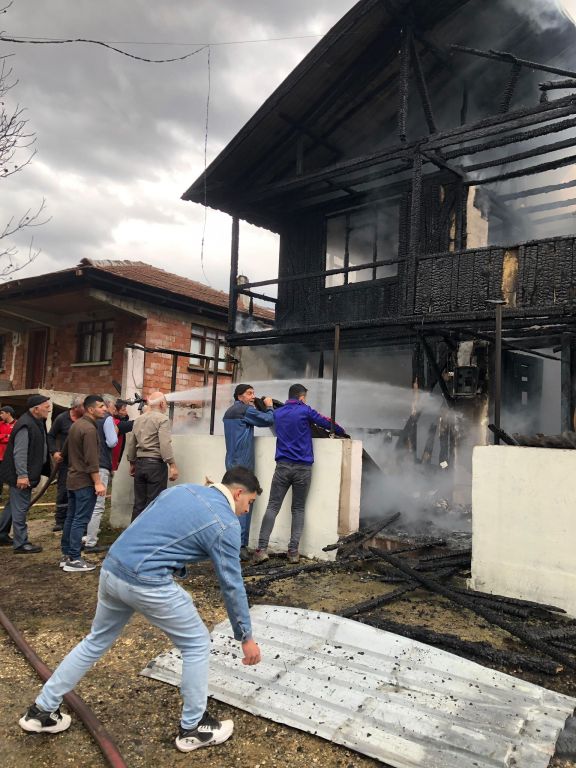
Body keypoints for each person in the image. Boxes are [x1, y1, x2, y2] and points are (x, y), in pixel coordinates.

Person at [19, 466, 263, 753]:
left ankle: (41, 711)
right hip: (147, 581)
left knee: (95, 640)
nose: (247, 510)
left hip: (112, 570)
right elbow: (232, 584)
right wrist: (245, 636)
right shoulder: (225, 524)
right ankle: (194, 728)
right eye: (250, 502)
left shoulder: (183, 490)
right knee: (196, 642)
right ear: (237, 493)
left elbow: (151, 526)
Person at [253, 383, 346, 565]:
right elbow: (327, 423)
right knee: (298, 509)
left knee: (272, 506)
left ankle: (261, 550)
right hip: (303, 468)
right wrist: (342, 431)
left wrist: (270, 406)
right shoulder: (305, 411)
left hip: (282, 466)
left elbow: (270, 419)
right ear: (302, 398)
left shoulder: (278, 413)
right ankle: (293, 552)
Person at [223, 383, 274, 559]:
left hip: (231, 462)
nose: (253, 396)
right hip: (243, 465)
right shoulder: (245, 411)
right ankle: (240, 547)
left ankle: (231, 544)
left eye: (254, 393)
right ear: (239, 396)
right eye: (249, 393)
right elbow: (268, 420)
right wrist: (269, 407)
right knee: (244, 504)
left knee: (233, 504)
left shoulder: (229, 412)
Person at [60, 395, 107, 572]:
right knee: (80, 519)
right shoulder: (88, 429)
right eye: (101, 406)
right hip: (84, 482)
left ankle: (66, 555)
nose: (104, 409)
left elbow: (63, 452)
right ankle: (75, 558)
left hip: (72, 479)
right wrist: (98, 482)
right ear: (90, 409)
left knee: (71, 518)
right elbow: (91, 459)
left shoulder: (76, 425)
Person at [0, 395, 52, 552]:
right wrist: (22, 476)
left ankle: (1, 534)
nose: (49, 408)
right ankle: (21, 543)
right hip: (21, 475)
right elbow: (20, 453)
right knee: (21, 508)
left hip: (26, 473)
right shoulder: (25, 425)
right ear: (36, 409)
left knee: (13, 505)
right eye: (46, 406)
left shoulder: (36, 422)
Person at [126, 391, 179, 521]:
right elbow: (165, 443)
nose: (166, 405)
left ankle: (133, 537)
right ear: (161, 404)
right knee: (154, 504)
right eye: (166, 403)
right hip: (155, 466)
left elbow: (132, 443)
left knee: (139, 504)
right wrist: (172, 465)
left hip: (140, 464)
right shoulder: (163, 419)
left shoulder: (138, 419)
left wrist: (132, 463)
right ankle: (149, 538)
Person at [83, 395, 118, 553]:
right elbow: (112, 442)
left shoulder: (87, 420)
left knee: (88, 503)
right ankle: (91, 541)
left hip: (87, 465)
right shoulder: (107, 420)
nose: (110, 409)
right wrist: (115, 433)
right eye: (111, 406)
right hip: (101, 464)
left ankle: (84, 536)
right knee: (98, 505)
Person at [47, 396, 85, 532]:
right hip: (65, 461)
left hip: (81, 462)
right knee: (63, 489)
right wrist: (54, 452)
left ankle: (75, 517)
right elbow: (50, 435)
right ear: (75, 408)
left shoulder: (85, 419)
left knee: (79, 490)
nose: (86, 408)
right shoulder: (62, 418)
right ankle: (60, 520)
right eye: (83, 406)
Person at [0, 405, 16, 510]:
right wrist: (6, 436)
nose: (0, 415)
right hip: (0, 456)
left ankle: (13, 495)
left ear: (8, 413)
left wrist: (3, 437)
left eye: (2, 413)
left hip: (11, 456)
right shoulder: (0, 424)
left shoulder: (17, 424)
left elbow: (15, 438)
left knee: (11, 476)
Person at [111, 400, 133, 472]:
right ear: (115, 411)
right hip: (109, 463)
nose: (126, 412)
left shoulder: (116, 421)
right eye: (123, 410)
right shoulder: (116, 423)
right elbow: (134, 424)